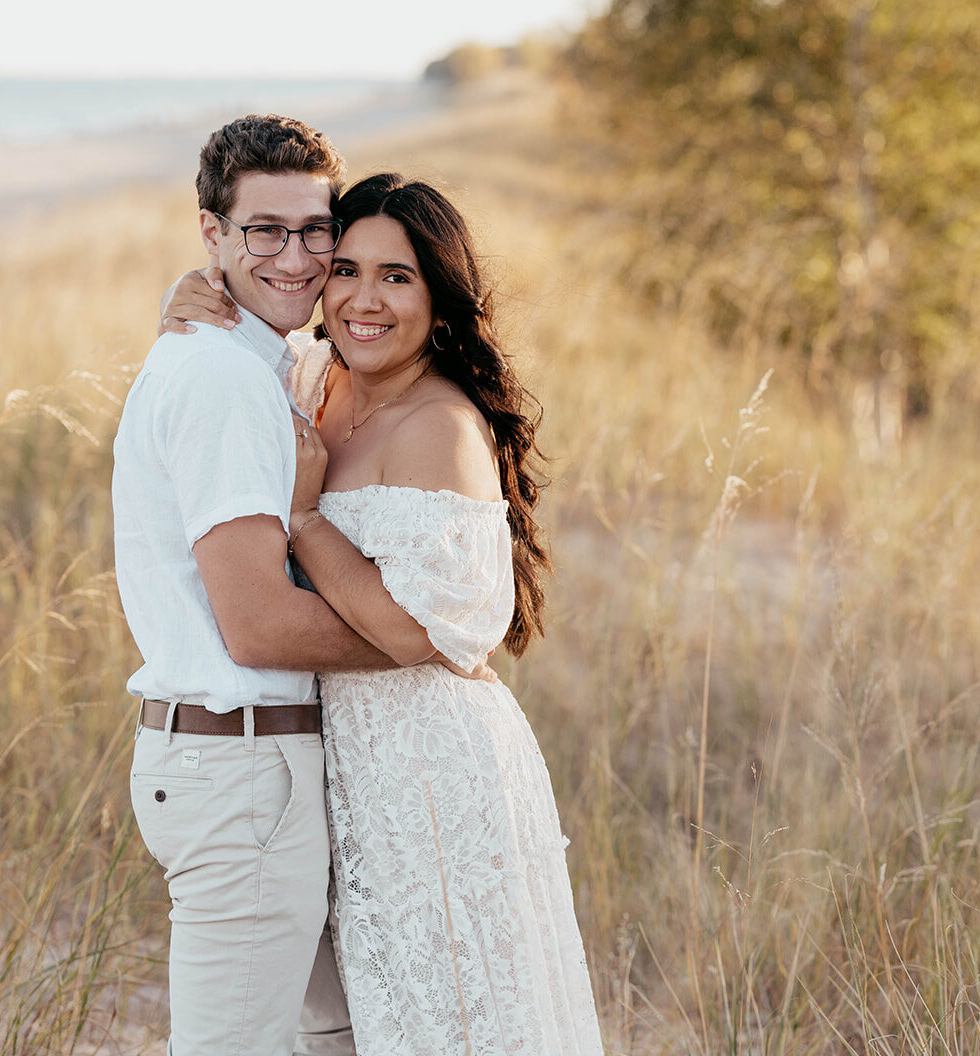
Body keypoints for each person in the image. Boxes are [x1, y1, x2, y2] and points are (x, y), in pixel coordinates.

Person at [161, 173, 603, 1054]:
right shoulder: (321, 376)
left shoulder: (438, 424)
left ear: (439, 297)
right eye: (348, 268)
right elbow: (244, 314)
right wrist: (187, 293)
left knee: (450, 1017)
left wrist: (306, 517)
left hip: (435, 772)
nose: (364, 300)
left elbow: (417, 633)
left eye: (397, 277)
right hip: (352, 765)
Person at [115, 114, 411, 1056]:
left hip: (253, 770)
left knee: (334, 1037)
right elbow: (256, 626)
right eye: (263, 232)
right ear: (213, 235)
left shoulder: (264, 362)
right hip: (242, 771)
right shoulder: (223, 380)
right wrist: (425, 640)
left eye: (315, 231)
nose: (295, 257)